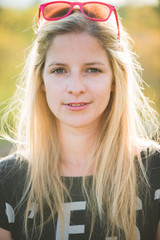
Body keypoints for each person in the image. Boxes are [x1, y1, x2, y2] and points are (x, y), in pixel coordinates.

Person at [0, 1, 160, 240]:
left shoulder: (154, 169)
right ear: (41, 81)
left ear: (115, 79)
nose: (75, 87)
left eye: (92, 70)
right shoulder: (7, 179)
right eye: (59, 70)